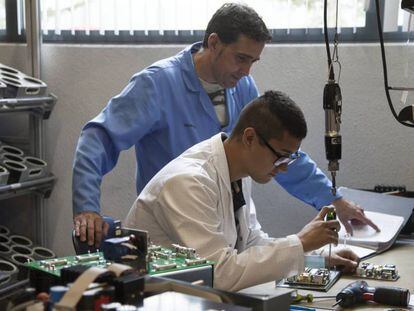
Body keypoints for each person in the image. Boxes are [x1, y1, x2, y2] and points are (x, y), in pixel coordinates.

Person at [72, 2, 378, 247]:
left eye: (253, 62)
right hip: (174, 232)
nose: (245, 70)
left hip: (226, 226)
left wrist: (332, 198)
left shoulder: (242, 87)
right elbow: (98, 138)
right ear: (214, 42)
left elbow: (276, 152)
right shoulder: (157, 84)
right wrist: (87, 207)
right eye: (240, 58)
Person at [124, 91, 359, 291]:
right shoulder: (187, 182)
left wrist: (315, 259)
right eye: (281, 156)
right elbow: (218, 274)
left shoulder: (238, 173)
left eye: (291, 157)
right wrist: (300, 243)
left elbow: (250, 244)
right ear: (249, 138)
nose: (285, 166)